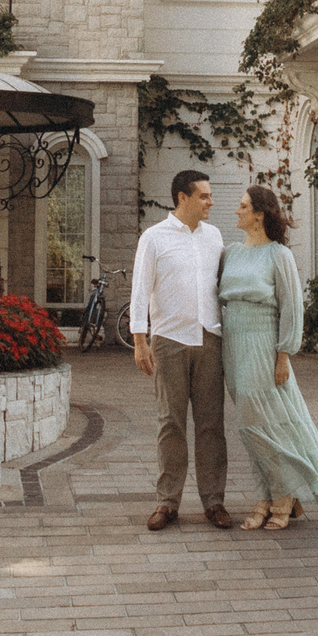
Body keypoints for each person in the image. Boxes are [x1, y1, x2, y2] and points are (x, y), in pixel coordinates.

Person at [220, 184, 318, 529]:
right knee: (251, 428)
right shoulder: (230, 252)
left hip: (263, 343)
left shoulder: (279, 255)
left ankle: (282, 496)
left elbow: (292, 308)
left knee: (263, 424)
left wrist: (284, 355)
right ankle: (271, 493)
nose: (237, 211)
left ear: (259, 214)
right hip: (233, 344)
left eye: (243, 206)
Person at [129, 168, 229, 529]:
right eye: (204, 196)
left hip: (209, 339)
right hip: (169, 341)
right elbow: (140, 290)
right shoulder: (154, 238)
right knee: (171, 423)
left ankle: (214, 501)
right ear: (182, 198)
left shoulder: (214, 236)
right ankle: (167, 502)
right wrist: (140, 341)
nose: (211, 202)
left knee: (211, 425)